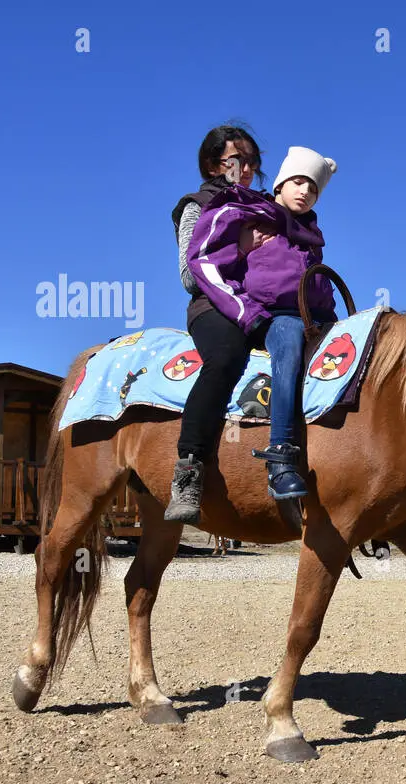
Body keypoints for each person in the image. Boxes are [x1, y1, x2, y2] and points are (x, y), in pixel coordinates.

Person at [185, 146, 338, 500]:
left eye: (313, 188)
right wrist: (246, 311)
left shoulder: (311, 240)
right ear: (280, 185)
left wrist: (337, 324)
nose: (304, 191)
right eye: (298, 182)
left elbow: (320, 290)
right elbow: (206, 263)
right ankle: (281, 456)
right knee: (289, 344)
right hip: (270, 316)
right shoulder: (247, 216)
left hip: (313, 318)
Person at [166, 125, 266, 521]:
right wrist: (240, 249)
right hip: (213, 306)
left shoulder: (264, 206)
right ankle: (188, 467)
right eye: (236, 161)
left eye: (253, 163)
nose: (246, 170)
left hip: (264, 304)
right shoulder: (197, 205)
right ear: (212, 164)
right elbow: (189, 277)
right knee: (226, 356)